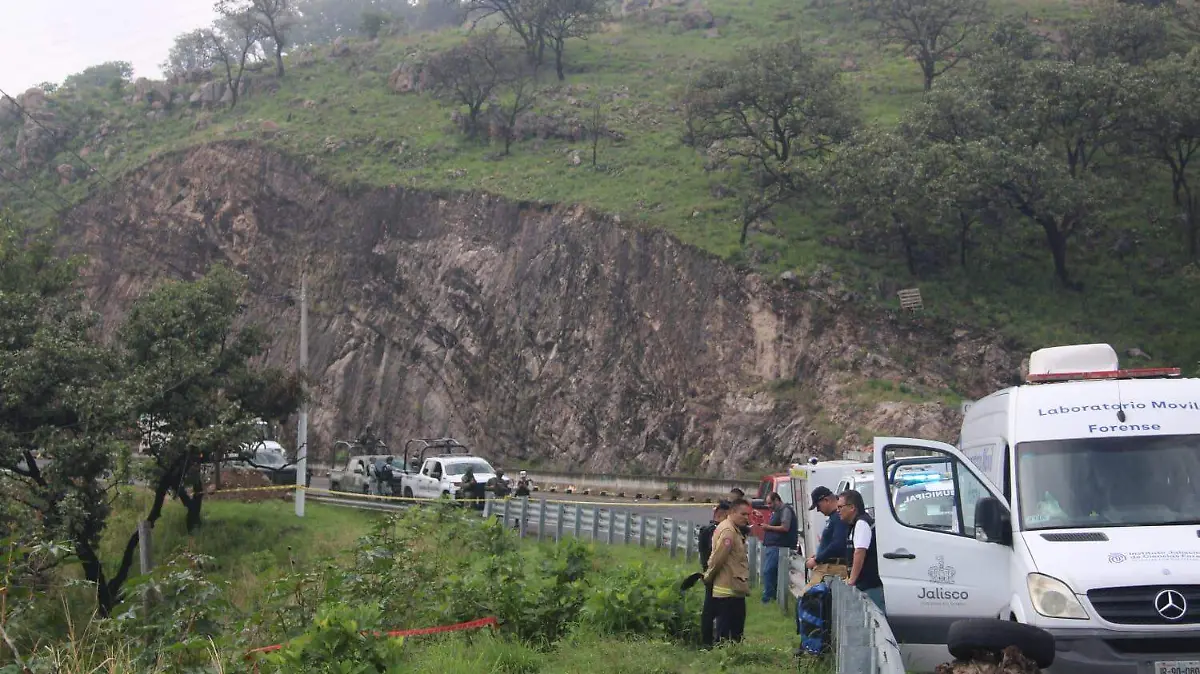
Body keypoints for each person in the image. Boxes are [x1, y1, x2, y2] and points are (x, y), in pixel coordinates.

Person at [703, 498, 752, 644]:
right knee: (727, 631)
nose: (746, 518)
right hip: (728, 589)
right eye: (743, 514)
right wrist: (708, 577)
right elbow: (718, 558)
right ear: (732, 512)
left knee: (735, 630)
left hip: (734, 587)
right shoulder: (728, 532)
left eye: (748, 515)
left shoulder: (734, 529)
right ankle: (724, 658)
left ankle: (731, 655)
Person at [838, 489, 884, 612]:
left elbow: (859, 552)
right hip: (865, 585)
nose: (838, 511)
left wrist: (851, 581)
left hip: (869, 585)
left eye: (840, 507)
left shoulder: (862, 524)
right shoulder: (855, 524)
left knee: (875, 623)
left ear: (852, 507)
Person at [803, 486, 849, 593]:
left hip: (833, 567)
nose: (818, 510)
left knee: (807, 598)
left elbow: (837, 544)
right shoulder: (834, 517)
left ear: (826, 500)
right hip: (828, 567)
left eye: (818, 506)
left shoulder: (838, 517)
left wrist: (816, 559)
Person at [698, 500, 731, 648]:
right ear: (721, 514)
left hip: (711, 573)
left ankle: (710, 641)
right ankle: (710, 642)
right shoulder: (713, 531)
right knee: (713, 609)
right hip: (714, 574)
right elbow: (716, 555)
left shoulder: (708, 529)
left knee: (712, 608)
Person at [760, 492, 798, 604]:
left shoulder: (785, 510)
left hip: (779, 546)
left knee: (768, 571)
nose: (769, 506)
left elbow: (785, 527)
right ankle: (773, 597)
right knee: (772, 572)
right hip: (774, 545)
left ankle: (768, 598)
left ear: (777, 500)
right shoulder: (777, 511)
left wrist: (768, 527)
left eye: (770, 503)